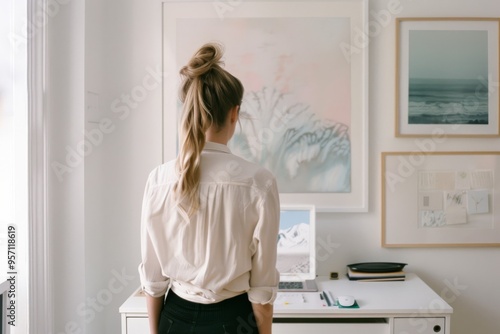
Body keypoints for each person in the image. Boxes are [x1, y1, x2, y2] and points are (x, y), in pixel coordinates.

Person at [138, 42, 280, 334]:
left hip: (173, 317)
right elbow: (262, 290)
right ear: (234, 113)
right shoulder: (259, 182)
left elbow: (153, 283)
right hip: (234, 320)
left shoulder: (159, 179)